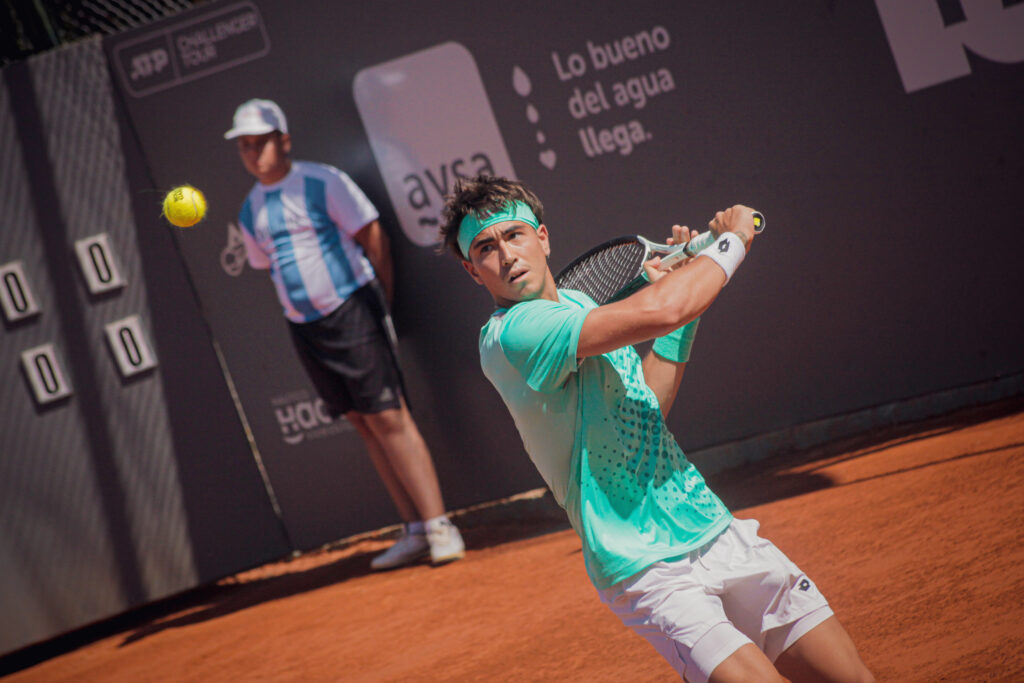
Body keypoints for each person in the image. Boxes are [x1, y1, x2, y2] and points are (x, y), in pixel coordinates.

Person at [439, 175, 873, 683]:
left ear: (543, 237)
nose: (506, 254)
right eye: (486, 248)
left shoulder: (582, 307)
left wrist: (681, 313)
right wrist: (731, 242)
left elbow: (645, 408)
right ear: (473, 271)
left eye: (514, 235)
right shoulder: (511, 334)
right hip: (645, 568)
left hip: (715, 529)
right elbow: (665, 307)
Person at [224, 98, 463, 569]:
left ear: (284, 139)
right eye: (245, 146)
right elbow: (268, 266)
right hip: (303, 326)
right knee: (362, 421)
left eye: (261, 142)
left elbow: (375, 240)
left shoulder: (323, 181)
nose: (253, 154)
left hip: (352, 309)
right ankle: (414, 530)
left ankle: (440, 525)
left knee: (390, 417)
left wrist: (380, 305)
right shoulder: (250, 209)